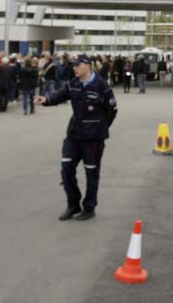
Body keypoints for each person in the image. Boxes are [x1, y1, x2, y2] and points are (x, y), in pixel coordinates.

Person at [35, 54, 117, 221]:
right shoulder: (74, 83)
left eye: (77, 65)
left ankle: (89, 208)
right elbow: (60, 95)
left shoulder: (101, 85)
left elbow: (112, 110)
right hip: (74, 134)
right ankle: (73, 205)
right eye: (73, 65)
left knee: (91, 173)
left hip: (93, 138)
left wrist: (99, 127)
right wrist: (46, 99)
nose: (74, 68)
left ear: (87, 66)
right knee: (66, 168)